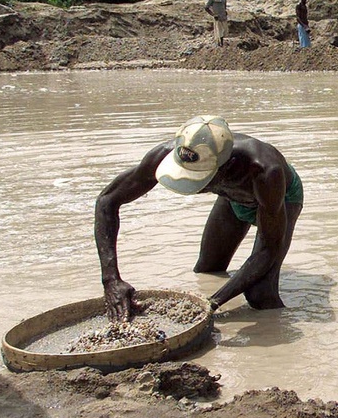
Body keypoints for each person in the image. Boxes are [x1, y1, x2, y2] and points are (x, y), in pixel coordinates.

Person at [95, 116, 304, 322]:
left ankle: (279, 329)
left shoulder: (265, 171)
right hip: (232, 198)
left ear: (227, 165)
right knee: (207, 271)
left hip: (279, 199)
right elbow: (107, 201)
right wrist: (111, 279)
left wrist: (212, 303)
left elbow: (268, 249)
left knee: (260, 295)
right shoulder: (168, 155)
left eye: (202, 177)